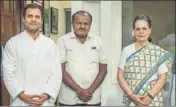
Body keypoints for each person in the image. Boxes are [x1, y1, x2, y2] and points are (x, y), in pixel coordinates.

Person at [2, 3, 62, 106]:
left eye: (37, 17)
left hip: (44, 102)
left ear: (41, 20)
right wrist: (22, 95)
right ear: (23, 19)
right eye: (30, 16)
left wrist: (46, 95)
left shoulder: (51, 44)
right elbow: (8, 73)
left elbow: (56, 74)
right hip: (20, 102)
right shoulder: (13, 43)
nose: (33, 20)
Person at [117, 14, 174, 106]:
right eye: (138, 29)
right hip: (131, 100)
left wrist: (149, 97)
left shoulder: (158, 52)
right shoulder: (126, 51)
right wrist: (131, 95)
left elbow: (162, 78)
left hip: (153, 100)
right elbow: (120, 76)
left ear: (150, 31)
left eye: (144, 29)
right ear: (133, 31)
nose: (141, 32)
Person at [57, 10, 107, 106]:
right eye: (78, 23)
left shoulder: (98, 41)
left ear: (90, 25)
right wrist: (79, 91)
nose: (82, 26)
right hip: (69, 99)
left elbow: (103, 70)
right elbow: (60, 70)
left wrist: (90, 91)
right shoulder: (63, 41)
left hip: (92, 98)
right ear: (72, 24)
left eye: (86, 23)